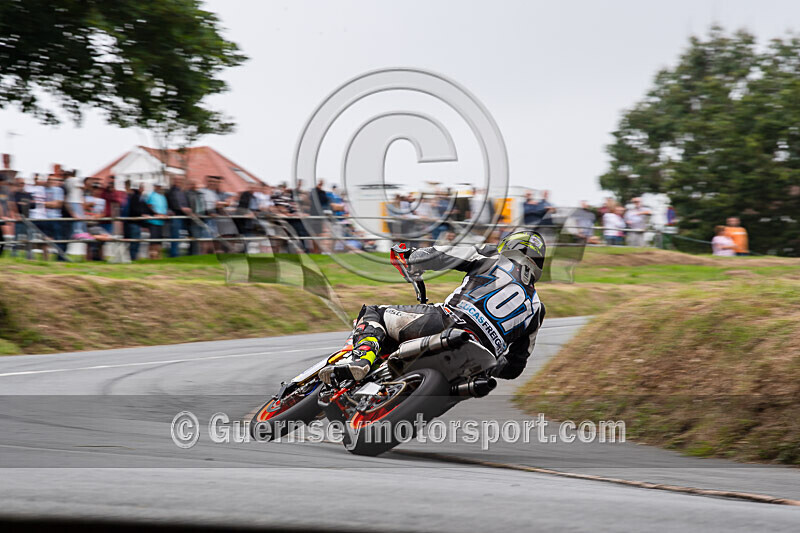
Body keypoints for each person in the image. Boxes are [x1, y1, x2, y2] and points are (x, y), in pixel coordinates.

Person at [319, 231, 547, 384]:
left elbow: (443, 255)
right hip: (478, 363)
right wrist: (491, 367)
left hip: (446, 322)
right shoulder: (537, 308)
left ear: (509, 245)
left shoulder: (493, 255)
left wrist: (411, 256)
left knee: (375, 312)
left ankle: (362, 356)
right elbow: (516, 366)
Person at [167, 175, 191, 258]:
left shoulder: (183, 192)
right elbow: (173, 204)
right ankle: (174, 255)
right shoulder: (170, 191)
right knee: (175, 237)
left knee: (186, 236)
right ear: (174, 180)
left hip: (185, 217)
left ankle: (187, 254)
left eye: (180, 180)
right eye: (177, 180)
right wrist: (182, 208)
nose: (178, 181)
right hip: (176, 216)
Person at [145, 183, 168, 259]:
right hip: (153, 221)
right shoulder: (151, 195)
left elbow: (165, 208)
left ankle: (158, 256)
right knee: (153, 240)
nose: (159, 188)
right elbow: (149, 206)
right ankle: (152, 256)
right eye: (157, 186)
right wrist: (157, 213)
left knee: (159, 240)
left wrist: (165, 215)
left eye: (160, 186)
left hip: (161, 222)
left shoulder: (163, 197)